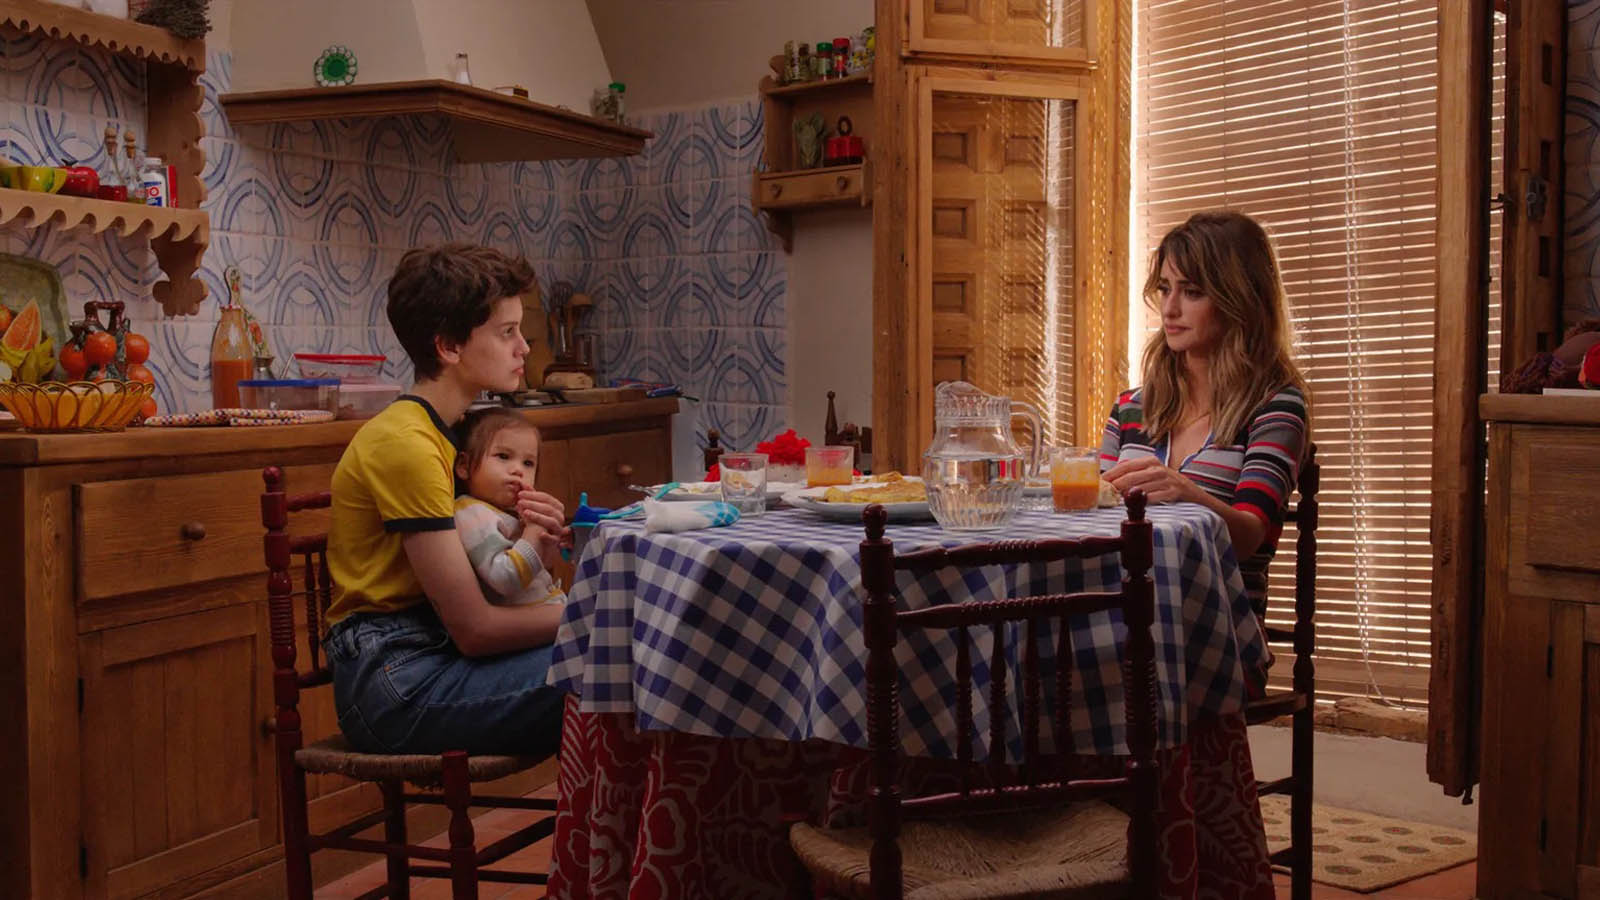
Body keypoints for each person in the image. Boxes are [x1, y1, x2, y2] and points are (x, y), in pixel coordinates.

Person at [321, 243, 569, 757]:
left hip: (434, 653)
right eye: (507, 332)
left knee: (622, 657)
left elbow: (487, 576)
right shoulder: (407, 444)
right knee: (614, 663)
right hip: (395, 682)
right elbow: (476, 630)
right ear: (450, 346)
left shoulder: (453, 435)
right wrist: (596, 615)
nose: (524, 348)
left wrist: (535, 541)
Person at [1101, 211, 1310, 618]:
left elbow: (1249, 537)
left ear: (1240, 300)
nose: (1170, 309)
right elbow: (1097, 515)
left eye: (1193, 292)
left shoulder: (1276, 407)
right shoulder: (1130, 408)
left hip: (1220, 627)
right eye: (1165, 288)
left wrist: (1184, 491)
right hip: (1124, 617)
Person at [452, 407, 567, 607]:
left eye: (528, 463)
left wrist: (552, 541)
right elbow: (505, 579)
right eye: (503, 456)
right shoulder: (472, 513)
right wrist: (533, 531)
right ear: (464, 466)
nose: (518, 470)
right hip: (527, 623)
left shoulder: (505, 512)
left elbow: (539, 568)